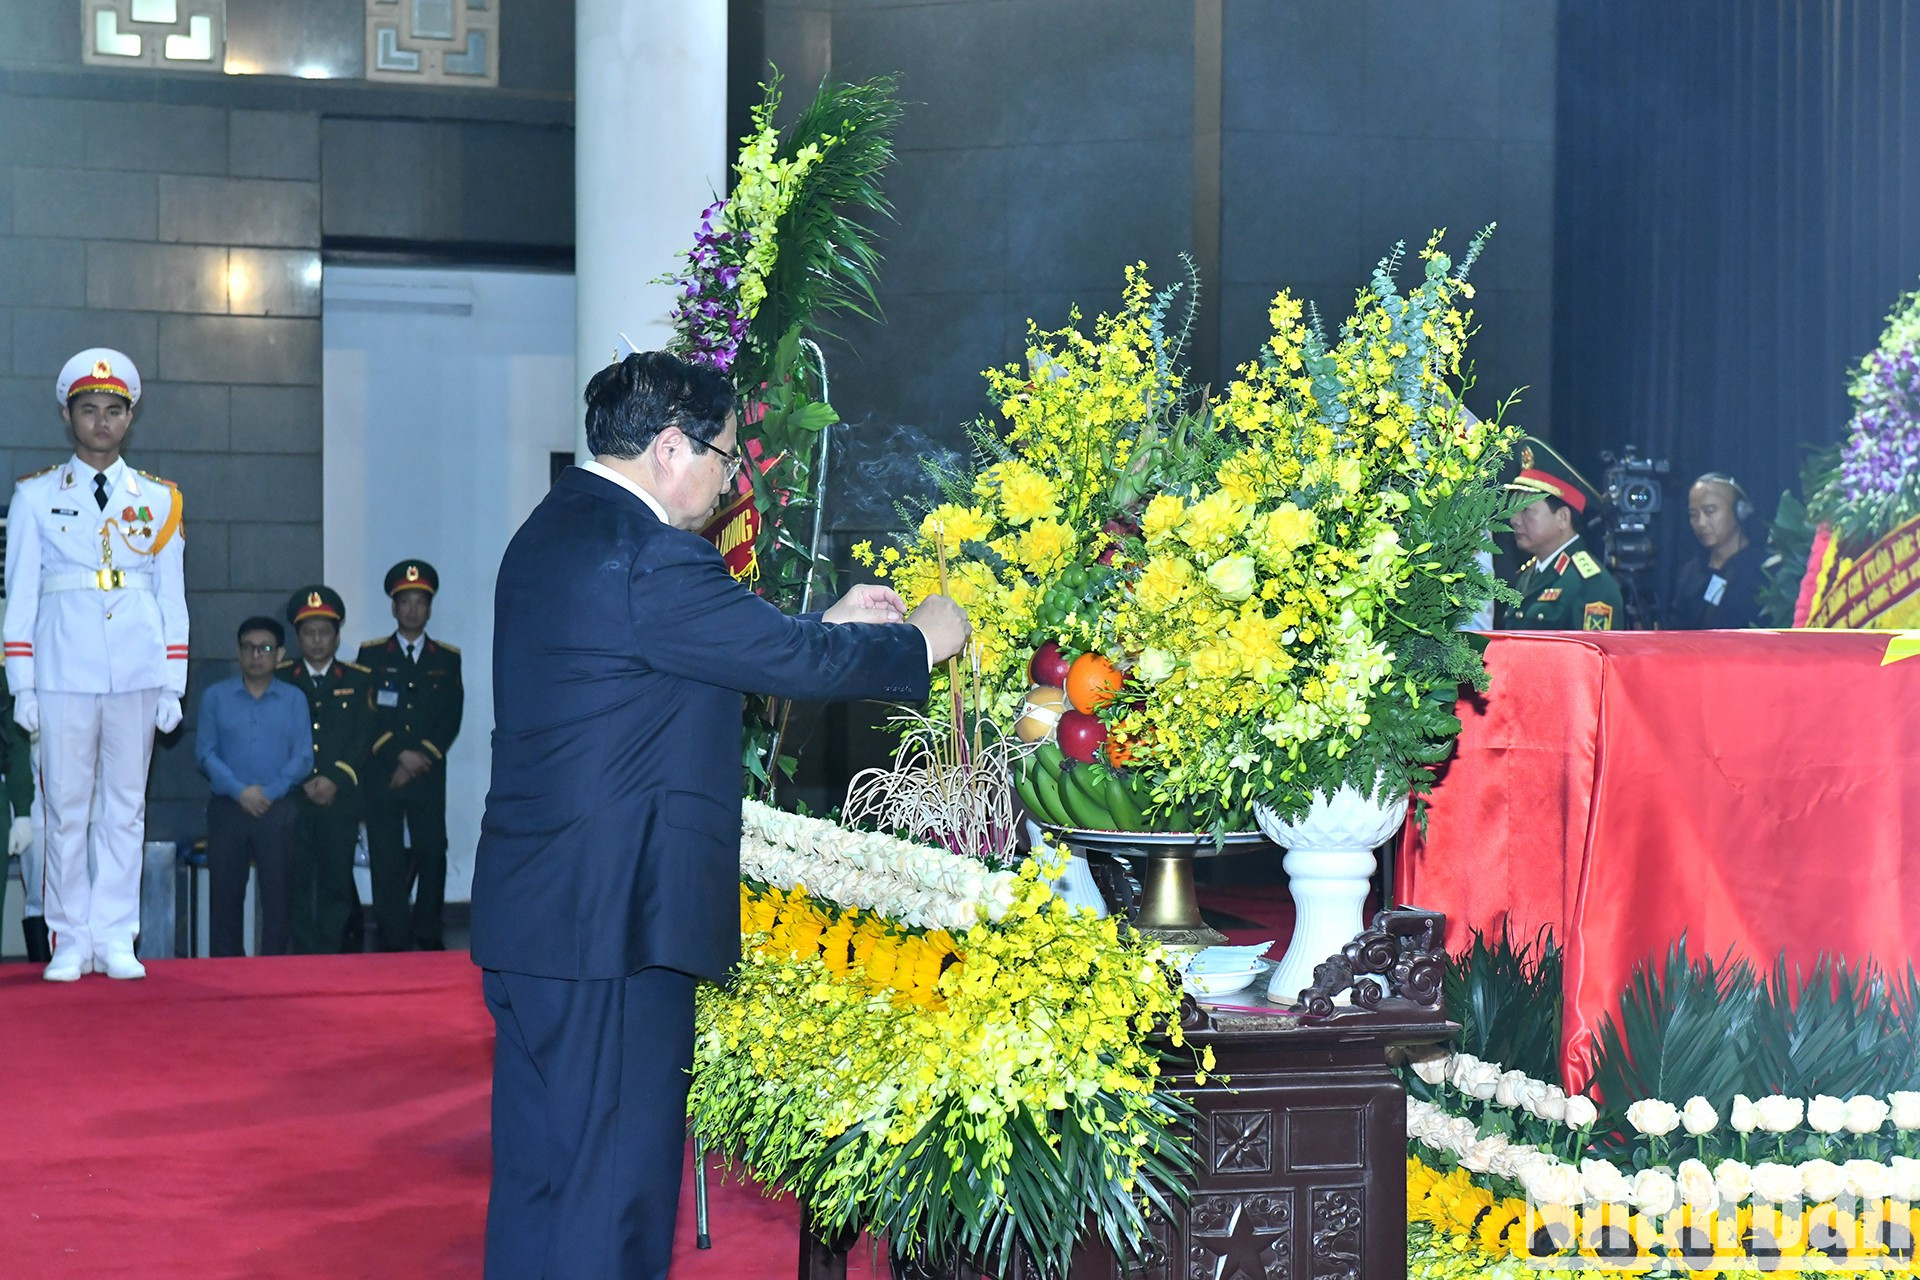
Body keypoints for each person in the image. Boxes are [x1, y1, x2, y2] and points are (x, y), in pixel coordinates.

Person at [471, 351, 970, 1280]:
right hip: (612, 932)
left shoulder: (554, 531)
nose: (731, 479)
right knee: (612, 1198)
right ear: (669, 448)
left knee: (543, 1183)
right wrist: (921, 642)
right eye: (724, 457)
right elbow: (793, 665)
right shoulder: (651, 554)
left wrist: (829, 621)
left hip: (538, 920)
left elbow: (705, 658)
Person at [4, 349, 189, 981]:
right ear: (68, 415)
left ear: (129, 418)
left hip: (136, 671)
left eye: (114, 410)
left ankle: (116, 934)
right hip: (62, 672)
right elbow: (20, 598)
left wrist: (173, 682)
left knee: (125, 808)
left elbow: (172, 600)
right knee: (65, 806)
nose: (101, 421)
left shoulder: (161, 501)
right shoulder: (34, 497)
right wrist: (21, 684)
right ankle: (69, 936)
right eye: (89, 410)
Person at [356, 561, 462, 951]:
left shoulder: (447, 659)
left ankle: (429, 933)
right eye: (406, 602)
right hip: (382, 772)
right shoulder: (371, 656)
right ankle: (393, 936)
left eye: (421, 602)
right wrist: (399, 755)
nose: (413, 610)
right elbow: (366, 714)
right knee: (386, 856)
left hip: (428, 774)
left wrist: (420, 758)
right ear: (394, 608)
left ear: (429, 607)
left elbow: (451, 715)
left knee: (432, 851)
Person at [194, 618, 313, 958]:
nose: (255, 655)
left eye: (264, 649)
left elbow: (303, 756)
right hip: (229, 809)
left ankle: (275, 973)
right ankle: (227, 974)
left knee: (279, 897)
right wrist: (240, 792)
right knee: (226, 898)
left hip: (278, 809)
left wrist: (270, 792)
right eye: (248, 648)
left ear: (280, 654)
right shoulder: (215, 697)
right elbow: (205, 753)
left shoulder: (294, 699)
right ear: (238, 652)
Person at [277, 586, 376, 954]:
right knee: (299, 880)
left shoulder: (358, 679)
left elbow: (364, 735)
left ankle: (331, 952)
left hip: (341, 798)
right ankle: (303, 952)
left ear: (337, 636)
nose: (317, 640)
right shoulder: (282, 679)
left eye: (324, 632)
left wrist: (335, 778)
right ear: (298, 637)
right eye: (309, 633)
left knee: (336, 880)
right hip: (295, 798)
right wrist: (302, 779)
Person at [1500, 436, 1625, 631]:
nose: (1514, 519)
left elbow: (1590, 659)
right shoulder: (1529, 576)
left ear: (1563, 517)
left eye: (1526, 510)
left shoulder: (1591, 585)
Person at [1667, 472, 1764, 629]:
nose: (1701, 523)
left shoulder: (1763, 571)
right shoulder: (1690, 573)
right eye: (1693, 515)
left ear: (1740, 510)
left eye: (1710, 511)